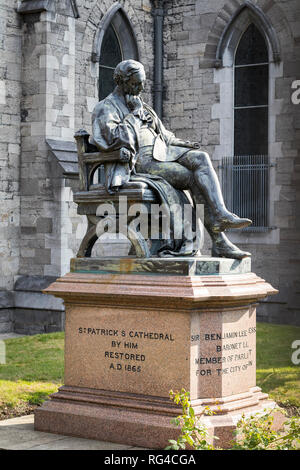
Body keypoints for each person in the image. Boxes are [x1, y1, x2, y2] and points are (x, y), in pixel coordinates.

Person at [91, 60, 251, 259]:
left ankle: (221, 214)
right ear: (121, 82)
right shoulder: (106, 108)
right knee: (190, 178)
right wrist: (134, 115)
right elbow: (113, 139)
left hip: (163, 152)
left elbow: (165, 136)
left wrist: (185, 145)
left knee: (200, 157)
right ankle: (219, 242)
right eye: (135, 84)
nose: (140, 89)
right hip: (141, 164)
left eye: (142, 84)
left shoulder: (143, 106)